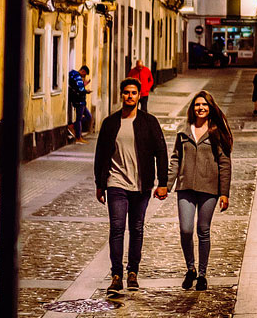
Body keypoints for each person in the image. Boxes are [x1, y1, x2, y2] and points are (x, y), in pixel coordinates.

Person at [92, 77, 168, 294]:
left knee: (136, 229)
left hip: (141, 185)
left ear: (139, 95)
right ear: (121, 95)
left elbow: (161, 152)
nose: (130, 96)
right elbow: (100, 154)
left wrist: (162, 183)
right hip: (116, 183)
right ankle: (116, 275)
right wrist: (100, 184)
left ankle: (132, 271)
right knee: (117, 228)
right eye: (126, 92)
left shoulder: (149, 122)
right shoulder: (110, 123)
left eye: (134, 93)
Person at [172, 91, 232, 291]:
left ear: (210, 107)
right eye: (197, 105)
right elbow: (175, 159)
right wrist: (166, 183)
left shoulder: (216, 132)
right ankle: (190, 268)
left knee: (203, 230)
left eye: (204, 105)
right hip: (186, 187)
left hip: (209, 189)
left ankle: (203, 274)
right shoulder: (183, 131)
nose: (201, 108)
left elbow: (225, 164)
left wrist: (224, 193)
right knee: (186, 230)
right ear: (192, 108)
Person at [67, 64, 91, 142]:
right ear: (83, 71)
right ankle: (78, 137)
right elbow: (80, 89)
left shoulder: (73, 75)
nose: (84, 76)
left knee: (88, 116)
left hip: (80, 101)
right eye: (85, 74)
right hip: (79, 101)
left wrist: (84, 85)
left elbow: (76, 86)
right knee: (79, 119)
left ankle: (73, 127)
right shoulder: (77, 77)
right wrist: (86, 91)